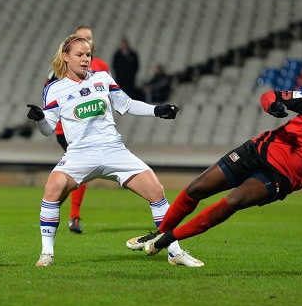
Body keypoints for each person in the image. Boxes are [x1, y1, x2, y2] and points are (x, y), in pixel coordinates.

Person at [126, 41, 302, 263]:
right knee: (196, 188)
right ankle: (159, 232)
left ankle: (168, 241)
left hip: (279, 178)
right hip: (257, 150)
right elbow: (272, 95)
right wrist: (272, 106)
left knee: (234, 200)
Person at [26, 33, 203, 267]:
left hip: (113, 150)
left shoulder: (102, 78)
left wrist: (157, 110)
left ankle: (174, 252)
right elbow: (48, 128)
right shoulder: (55, 89)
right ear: (66, 57)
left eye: (88, 54)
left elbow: (126, 104)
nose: (85, 59)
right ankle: (46, 254)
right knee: (53, 187)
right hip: (80, 153)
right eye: (79, 55)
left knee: (156, 191)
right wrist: (40, 119)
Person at [44, 24, 110, 234]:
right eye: (81, 37)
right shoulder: (60, 70)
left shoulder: (101, 67)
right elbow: (50, 93)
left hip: (95, 129)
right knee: (80, 170)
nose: (85, 40)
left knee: (78, 171)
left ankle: (55, 205)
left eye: (88, 38)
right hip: (68, 129)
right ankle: (72, 215)